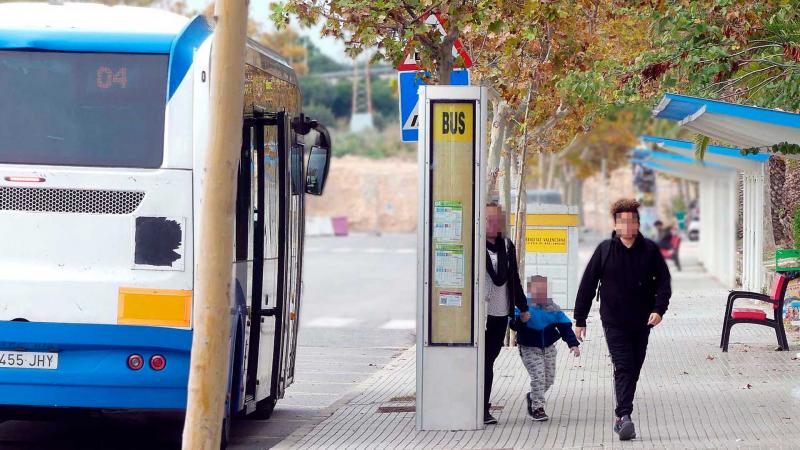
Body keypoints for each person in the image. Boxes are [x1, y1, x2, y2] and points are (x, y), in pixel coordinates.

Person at [574, 199, 671, 441]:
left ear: (638, 224)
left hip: (642, 321)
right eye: (622, 222)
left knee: (634, 368)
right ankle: (623, 416)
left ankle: (622, 410)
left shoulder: (650, 250)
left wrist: (659, 310)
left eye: (632, 221)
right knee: (624, 366)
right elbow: (587, 284)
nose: (627, 226)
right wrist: (580, 319)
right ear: (615, 225)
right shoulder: (605, 250)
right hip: (613, 321)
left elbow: (664, 282)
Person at [484, 202, 530, 425]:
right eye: (487, 219)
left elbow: (513, 279)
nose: (492, 223)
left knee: (489, 360)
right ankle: (480, 406)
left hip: (500, 313)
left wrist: (523, 307)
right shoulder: (475, 245)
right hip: (477, 316)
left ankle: (483, 405)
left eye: (495, 219)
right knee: (478, 361)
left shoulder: (507, 246)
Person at [511, 275, 580, 422]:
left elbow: (565, 327)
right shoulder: (524, 307)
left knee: (548, 379)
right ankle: (537, 408)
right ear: (530, 292)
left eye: (544, 291)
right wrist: (522, 320)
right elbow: (513, 324)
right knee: (538, 377)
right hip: (529, 348)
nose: (541, 294)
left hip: (548, 348)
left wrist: (573, 344)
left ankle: (532, 396)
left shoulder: (553, 309)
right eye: (537, 291)